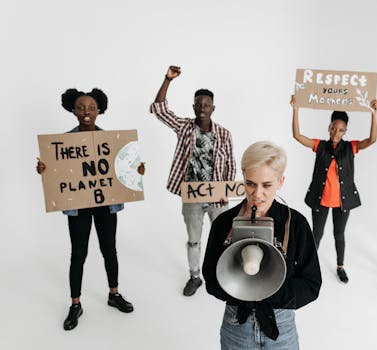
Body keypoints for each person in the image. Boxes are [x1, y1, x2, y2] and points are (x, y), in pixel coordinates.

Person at [36, 88, 144, 330]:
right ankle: (75, 304)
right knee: (78, 254)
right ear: (73, 110)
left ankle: (113, 294)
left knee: (110, 250)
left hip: (106, 205)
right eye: (81, 107)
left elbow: (122, 172)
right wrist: (46, 170)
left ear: (100, 110)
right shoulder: (60, 143)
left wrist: (135, 172)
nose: (87, 112)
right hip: (79, 207)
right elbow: (57, 174)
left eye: (92, 107)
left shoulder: (113, 142)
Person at [203, 141, 321, 349]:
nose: (257, 194)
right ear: (243, 177)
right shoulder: (224, 223)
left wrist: (269, 289)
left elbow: (311, 284)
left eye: (266, 185)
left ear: (281, 181)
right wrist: (240, 290)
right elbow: (211, 280)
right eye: (250, 184)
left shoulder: (296, 224)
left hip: (280, 327)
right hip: (236, 328)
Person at [149, 66, 236, 296]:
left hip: (217, 195)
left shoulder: (224, 134)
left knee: (223, 237)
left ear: (213, 108)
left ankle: (222, 274)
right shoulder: (185, 128)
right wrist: (167, 79)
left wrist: (226, 190)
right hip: (192, 195)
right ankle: (195, 276)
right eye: (198, 105)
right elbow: (159, 110)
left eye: (206, 105)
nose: (202, 109)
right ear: (193, 107)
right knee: (194, 240)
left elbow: (230, 165)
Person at [290, 95, 377, 283]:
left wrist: (374, 114)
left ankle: (340, 266)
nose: (336, 132)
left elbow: (371, 139)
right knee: (317, 234)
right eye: (333, 128)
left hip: (342, 201)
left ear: (345, 131)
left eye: (340, 130)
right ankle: (307, 266)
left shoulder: (350, 147)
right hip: (320, 199)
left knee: (339, 234)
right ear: (329, 127)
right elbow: (297, 136)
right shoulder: (320, 146)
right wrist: (296, 108)